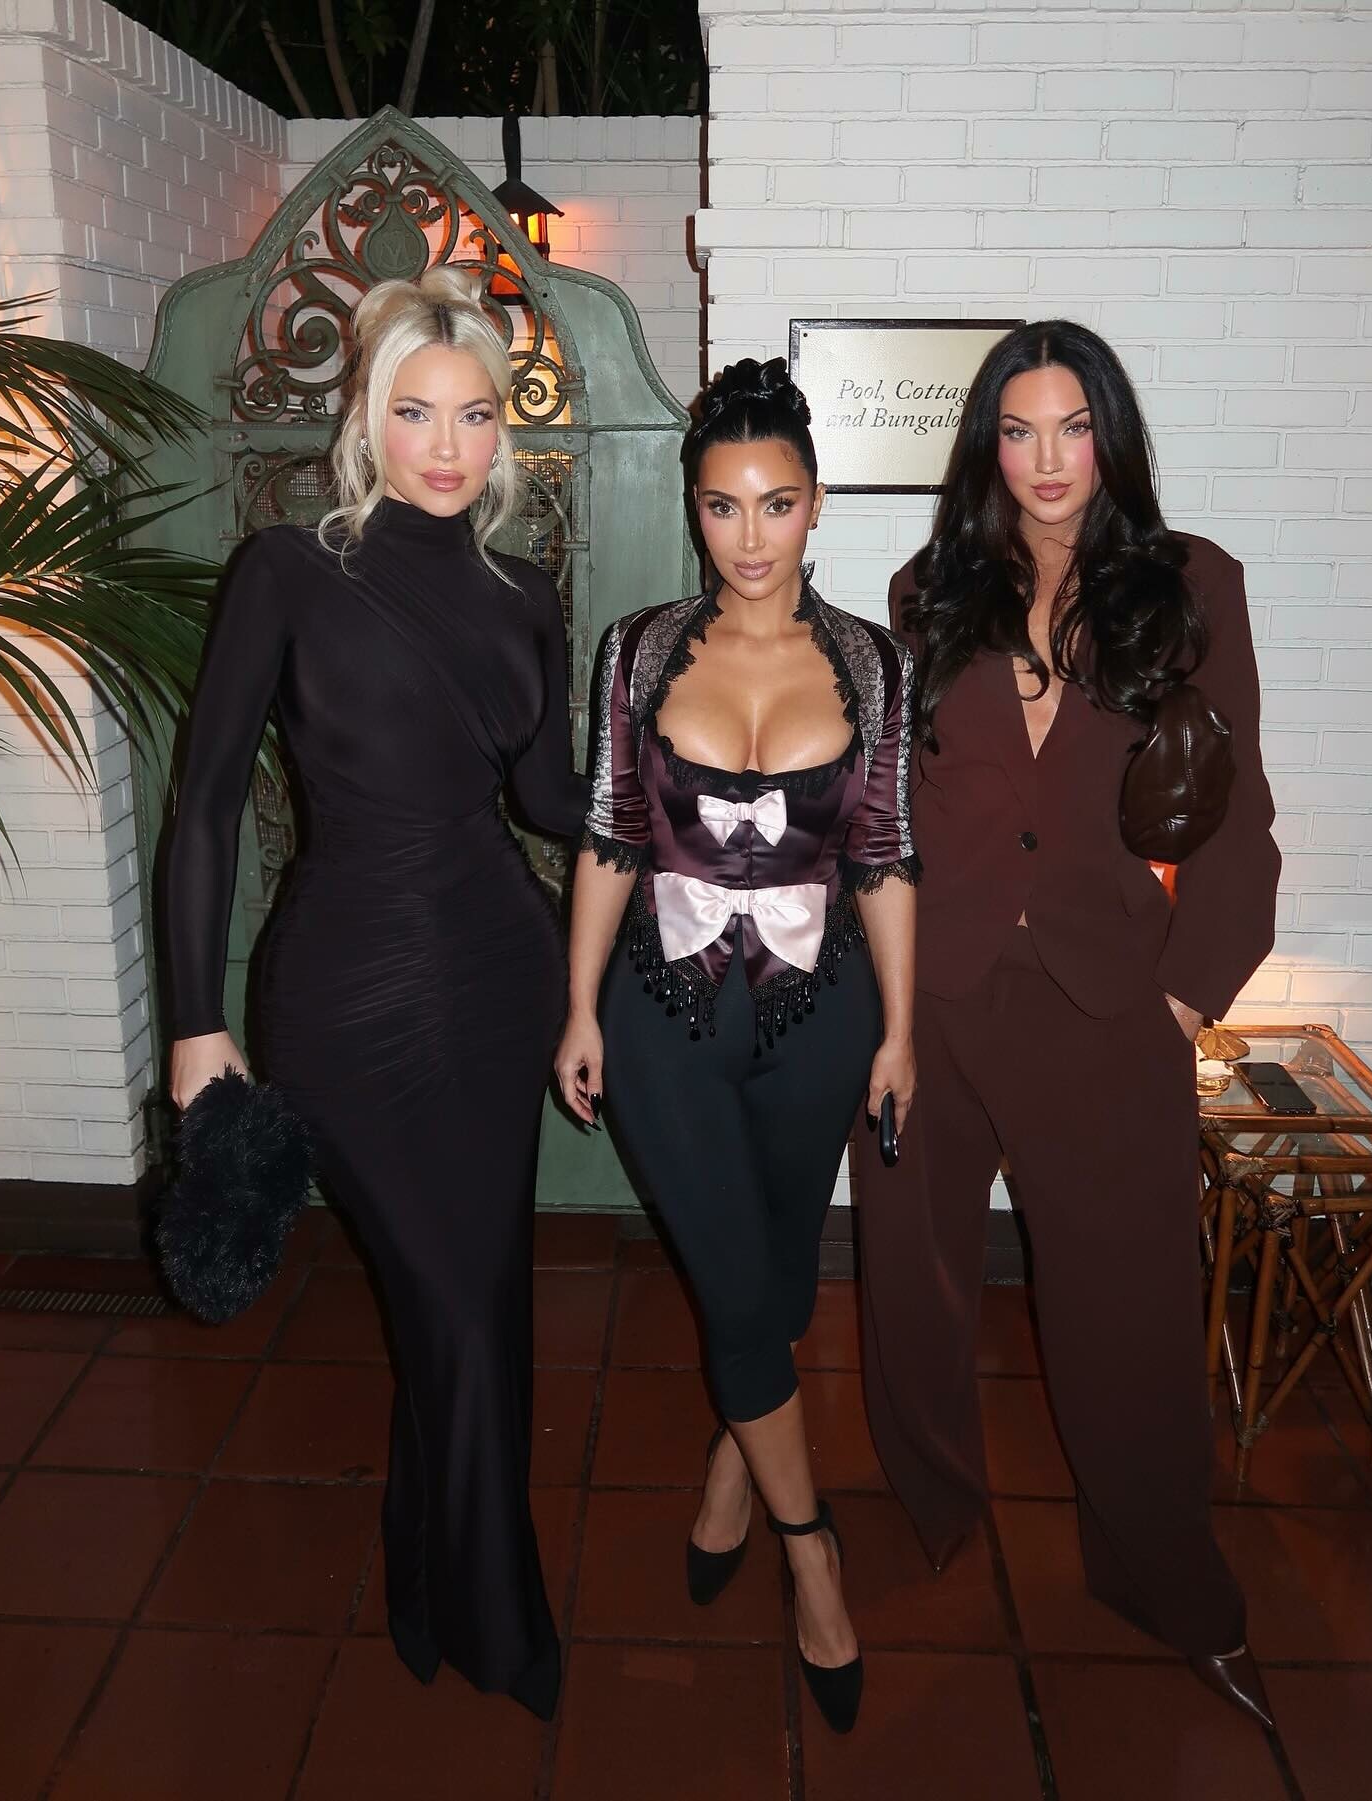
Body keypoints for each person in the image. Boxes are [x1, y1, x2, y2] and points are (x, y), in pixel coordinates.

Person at [162, 267, 587, 1720]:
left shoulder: (529, 597)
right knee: (451, 1308)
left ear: (503, 429)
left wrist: (695, 784)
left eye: (472, 415)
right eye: (415, 412)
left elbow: (550, 800)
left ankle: (430, 1574)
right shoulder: (286, 572)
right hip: (344, 993)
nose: (446, 445)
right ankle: (497, 1620)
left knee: (482, 1302)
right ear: (366, 418)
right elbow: (203, 806)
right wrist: (196, 1024)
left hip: (498, 972)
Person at [850, 319, 1281, 1727]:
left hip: (1105, 1000)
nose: (1047, 459)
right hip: (937, 996)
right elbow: (895, 808)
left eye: (1073, 427)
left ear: (1111, 436)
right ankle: (932, 1506)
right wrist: (879, 994)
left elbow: (1239, 823)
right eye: (1019, 430)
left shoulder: (1192, 585)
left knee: (1129, 1314)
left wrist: (1183, 995)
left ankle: (1165, 1577)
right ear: (987, 445)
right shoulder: (930, 592)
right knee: (912, 1279)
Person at [554, 358, 918, 1735]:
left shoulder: (873, 662)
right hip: (664, 1013)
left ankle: (733, 1467)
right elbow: (609, 832)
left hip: (824, 1016)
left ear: (817, 504)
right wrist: (579, 1005)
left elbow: (886, 853)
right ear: (692, 506)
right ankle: (811, 1550)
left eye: (776, 504)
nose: (749, 536)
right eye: (722, 505)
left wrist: (903, 1032)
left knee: (774, 1274)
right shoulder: (639, 650)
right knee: (729, 1267)